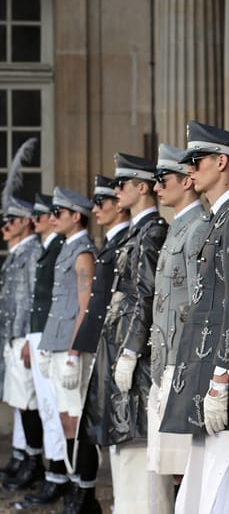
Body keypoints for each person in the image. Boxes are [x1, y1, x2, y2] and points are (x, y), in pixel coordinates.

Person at [159, 121, 229, 514]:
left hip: (225, 382)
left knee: (225, 492)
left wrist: (223, 376)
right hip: (208, 376)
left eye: (197, 160)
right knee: (201, 495)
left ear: (222, 163)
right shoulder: (221, 218)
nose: (190, 169)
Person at [81, 153, 171, 513]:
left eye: (123, 184)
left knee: (140, 470)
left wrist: (132, 351)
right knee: (125, 466)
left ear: (142, 187)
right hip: (121, 355)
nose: (116, 191)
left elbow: (145, 296)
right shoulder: (138, 232)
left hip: (138, 365)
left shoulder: (152, 233)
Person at [147, 143, 206, 502]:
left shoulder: (197, 228)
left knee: (184, 466)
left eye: (163, 179)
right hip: (166, 362)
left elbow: (200, 305)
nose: (157, 187)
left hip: (183, 364)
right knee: (170, 465)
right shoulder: (178, 227)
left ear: (187, 181)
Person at [69, 174, 130, 512]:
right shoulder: (111, 241)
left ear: (118, 206)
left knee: (105, 424)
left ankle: (87, 491)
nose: (95, 210)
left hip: (114, 344)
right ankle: (83, 490)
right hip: (99, 342)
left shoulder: (123, 241)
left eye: (101, 203)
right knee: (88, 421)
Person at [36, 187, 97, 506]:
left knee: (76, 416)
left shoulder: (83, 251)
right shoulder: (66, 249)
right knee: (64, 416)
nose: (52, 218)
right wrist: (48, 346)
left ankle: (83, 487)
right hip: (58, 343)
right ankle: (75, 481)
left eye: (58, 213)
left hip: (73, 349)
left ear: (76, 217)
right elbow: (58, 304)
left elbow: (84, 305)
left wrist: (74, 352)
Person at [21, 193, 69, 507]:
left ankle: (59, 475)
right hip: (41, 334)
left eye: (49, 213)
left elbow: (58, 300)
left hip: (52, 337)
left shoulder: (60, 249)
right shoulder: (49, 249)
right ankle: (54, 474)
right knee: (47, 410)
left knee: (55, 409)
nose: (42, 220)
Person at [1, 197, 45, 491]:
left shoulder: (32, 253)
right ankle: (24, 458)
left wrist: (29, 338)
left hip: (23, 337)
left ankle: (34, 463)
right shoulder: (18, 252)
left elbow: (33, 297)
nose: (5, 227)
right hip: (12, 335)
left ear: (26, 222)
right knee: (20, 401)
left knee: (29, 403)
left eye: (11, 222)